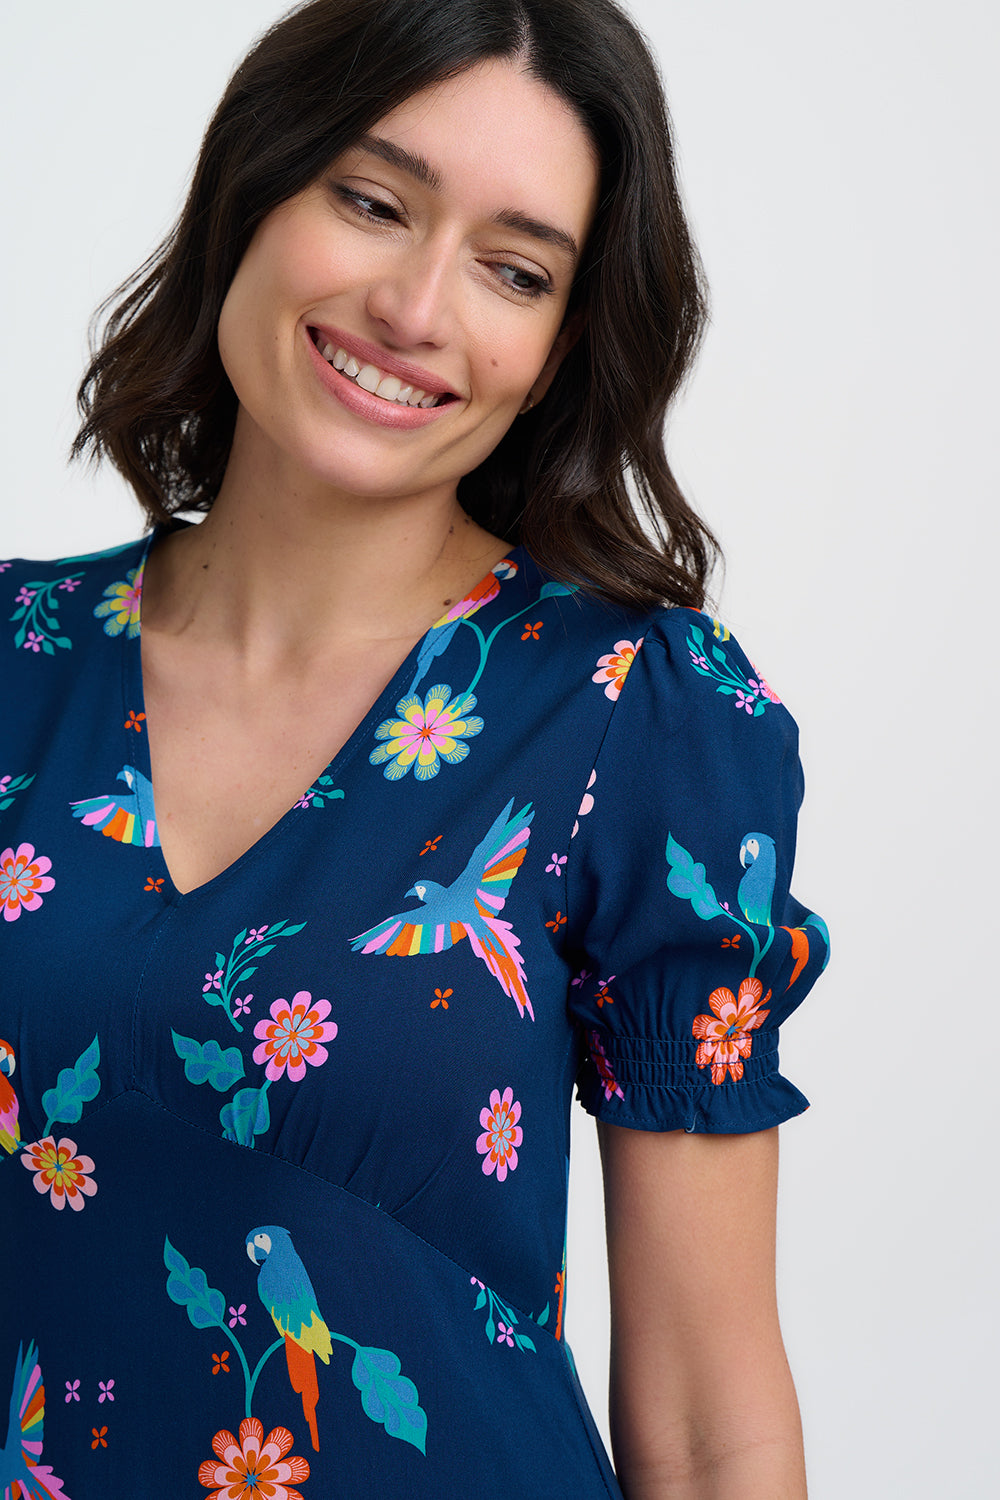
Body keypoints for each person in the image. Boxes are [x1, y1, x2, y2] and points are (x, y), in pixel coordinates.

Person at [0, 0, 829, 1494]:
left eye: (515, 270)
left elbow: (711, 1418)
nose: (417, 306)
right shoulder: (10, 664)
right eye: (373, 203)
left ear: (560, 346)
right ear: (251, 194)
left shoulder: (638, 712)